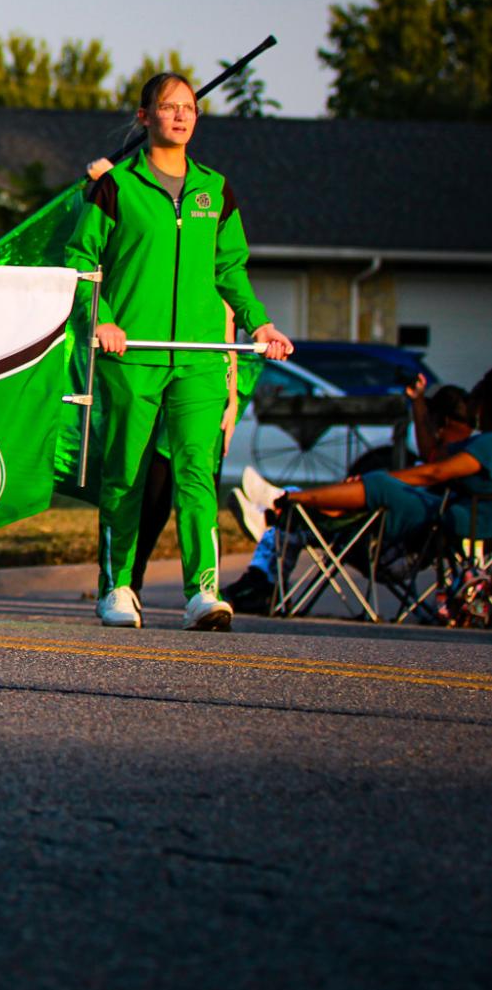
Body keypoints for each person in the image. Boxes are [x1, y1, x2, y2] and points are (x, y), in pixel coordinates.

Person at [65, 72, 293, 631]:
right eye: (168, 107)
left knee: (198, 473)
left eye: (188, 107)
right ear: (145, 117)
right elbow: (79, 264)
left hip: (198, 357)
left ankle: (202, 593)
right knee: (125, 475)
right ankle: (115, 588)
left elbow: (229, 269)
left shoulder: (216, 189)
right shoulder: (115, 187)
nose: (180, 115)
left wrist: (259, 323)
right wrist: (105, 320)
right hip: (131, 354)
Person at [264, 372, 492, 558]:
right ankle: (286, 507)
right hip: (454, 514)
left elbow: (435, 472)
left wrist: (384, 479)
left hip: (459, 520)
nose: (477, 418)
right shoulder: (481, 441)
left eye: (479, 406)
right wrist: (419, 403)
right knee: (376, 487)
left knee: (381, 484)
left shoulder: (487, 442)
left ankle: (284, 503)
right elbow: (434, 456)